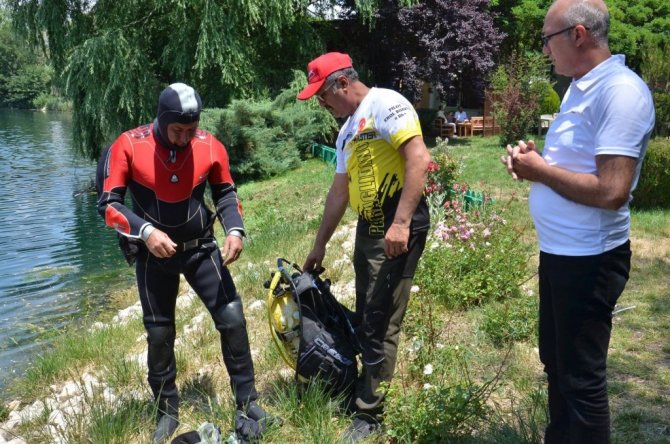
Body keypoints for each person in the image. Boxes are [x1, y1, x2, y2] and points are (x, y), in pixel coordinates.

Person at [500, 1, 655, 443]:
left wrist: (541, 172)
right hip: (560, 253)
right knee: (556, 363)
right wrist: (535, 162)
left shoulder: (620, 92)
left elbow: (611, 190)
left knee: (581, 378)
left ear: (578, 35)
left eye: (547, 39)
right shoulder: (580, 86)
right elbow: (575, 164)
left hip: (590, 259)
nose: (544, 50)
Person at [97, 83, 277, 443]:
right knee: (159, 332)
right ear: (161, 119)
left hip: (200, 248)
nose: (184, 137)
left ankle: (247, 402)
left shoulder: (209, 145)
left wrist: (235, 229)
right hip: (153, 254)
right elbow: (108, 205)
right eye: (177, 130)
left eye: (191, 130)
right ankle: (166, 410)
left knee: (232, 317)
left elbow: (225, 192)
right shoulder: (128, 144)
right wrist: (146, 232)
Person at [297, 52, 431, 442]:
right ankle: (364, 389)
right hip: (369, 229)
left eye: (322, 95)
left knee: (381, 321)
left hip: (396, 225)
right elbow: (339, 191)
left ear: (342, 83)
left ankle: (371, 414)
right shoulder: (347, 131)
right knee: (368, 313)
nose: (322, 104)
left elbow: (419, 159)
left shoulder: (386, 104)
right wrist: (319, 245)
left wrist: (401, 223)